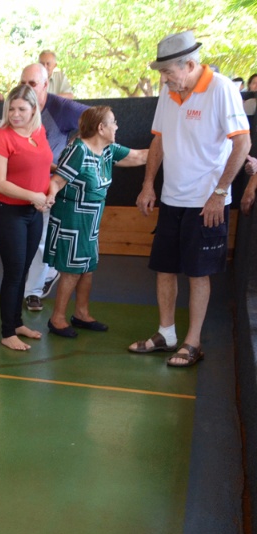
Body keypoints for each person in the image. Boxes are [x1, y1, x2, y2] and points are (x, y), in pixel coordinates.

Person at [132, 31, 250, 367]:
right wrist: (149, 184)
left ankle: (192, 342)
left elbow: (242, 144)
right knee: (164, 268)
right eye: (162, 74)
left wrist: (220, 192)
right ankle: (165, 333)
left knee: (198, 273)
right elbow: (159, 141)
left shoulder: (222, 89)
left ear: (190, 65)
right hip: (172, 199)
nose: (164, 80)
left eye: (168, 73)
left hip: (207, 201)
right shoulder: (170, 92)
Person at [43, 106, 148, 337]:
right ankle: (57, 318)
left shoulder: (108, 150)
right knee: (72, 270)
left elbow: (141, 156)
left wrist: (172, 143)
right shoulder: (78, 150)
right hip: (71, 216)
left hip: (91, 218)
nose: (117, 126)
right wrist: (50, 196)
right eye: (113, 122)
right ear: (101, 128)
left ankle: (81, 313)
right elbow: (58, 180)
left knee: (87, 269)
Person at [0, 85, 53, 351]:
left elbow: (42, 166)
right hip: (7, 211)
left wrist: (50, 190)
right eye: (11, 109)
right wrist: (35, 195)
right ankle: (6, 332)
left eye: (22, 109)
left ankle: (17, 323)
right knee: (13, 272)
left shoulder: (39, 132)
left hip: (32, 212)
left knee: (23, 270)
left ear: (34, 109)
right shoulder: (0, 138)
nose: (15, 114)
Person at [19, 62, 89, 312]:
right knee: (32, 237)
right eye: (23, 83)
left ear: (46, 85)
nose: (26, 89)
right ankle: (44, 276)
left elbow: (99, 118)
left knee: (41, 236)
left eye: (33, 84)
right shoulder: (19, 107)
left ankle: (33, 291)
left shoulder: (61, 107)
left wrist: (74, 149)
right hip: (22, 183)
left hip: (51, 183)